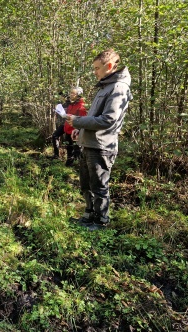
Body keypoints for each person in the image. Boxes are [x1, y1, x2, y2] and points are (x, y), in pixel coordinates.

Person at [66, 49, 133, 227]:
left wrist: (78, 121)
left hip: (102, 146)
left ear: (109, 66)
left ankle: (101, 220)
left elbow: (108, 120)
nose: (94, 72)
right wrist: (80, 130)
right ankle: (89, 214)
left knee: (99, 186)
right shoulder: (106, 86)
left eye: (97, 68)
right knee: (86, 184)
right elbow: (95, 117)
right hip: (88, 143)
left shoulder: (119, 88)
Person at [63, 87, 87, 167]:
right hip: (68, 129)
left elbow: (82, 120)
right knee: (69, 147)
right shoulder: (71, 104)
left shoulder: (81, 106)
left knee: (77, 149)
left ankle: (79, 165)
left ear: (78, 95)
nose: (71, 95)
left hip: (75, 131)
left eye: (73, 93)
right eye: (71, 93)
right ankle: (69, 163)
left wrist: (77, 130)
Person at [49, 94, 70, 159]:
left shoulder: (73, 104)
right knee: (55, 136)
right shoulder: (62, 104)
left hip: (71, 125)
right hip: (63, 124)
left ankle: (72, 159)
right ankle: (56, 155)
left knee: (70, 141)